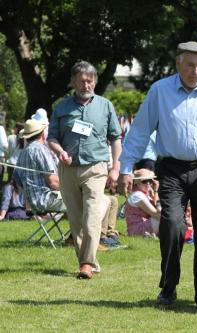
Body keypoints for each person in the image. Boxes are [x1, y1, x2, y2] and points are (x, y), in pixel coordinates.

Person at [118, 41, 197, 313]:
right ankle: (168, 287)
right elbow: (139, 132)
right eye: (191, 65)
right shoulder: (159, 91)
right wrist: (126, 168)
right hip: (171, 169)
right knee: (172, 225)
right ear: (178, 64)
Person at [48, 61, 122, 280]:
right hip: (68, 169)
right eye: (81, 80)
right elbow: (52, 137)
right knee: (76, 219)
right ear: (73, 82)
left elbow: (115, 138)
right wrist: (60, 151)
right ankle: (87, 261)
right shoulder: (61, 107)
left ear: (95, 82)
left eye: (89, 80)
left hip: (96, 167)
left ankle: (87, 264)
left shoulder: (105, 106)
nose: (86, 84)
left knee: (91, 216)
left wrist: (115, 168)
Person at [14, 119, 66, 215]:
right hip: (46, 200)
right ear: (42, 134)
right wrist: (72, 188)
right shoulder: (40, 150)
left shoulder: (22, 153)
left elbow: (18, 182)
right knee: (94, 201)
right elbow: (53, 182)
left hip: (32, 203)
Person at [124, 168, 161, 237]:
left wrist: (155, 191)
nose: (148, 183)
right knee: (167, 218)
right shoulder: (137, 195)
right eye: (144, 181)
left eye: (150, 181)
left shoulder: (145, 193)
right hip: (137, 230)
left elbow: (157, 206)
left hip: (143, 226)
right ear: (137, 182)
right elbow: (155, 214)